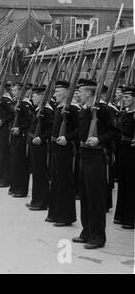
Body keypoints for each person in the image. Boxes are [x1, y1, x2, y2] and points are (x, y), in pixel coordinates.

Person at [73, 79, 120, 249]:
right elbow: (80, 131)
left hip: (97, 157)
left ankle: (98, 237)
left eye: (81, 91)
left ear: (89, 92)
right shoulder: (85, 110)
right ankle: (86, 231)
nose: (78, 94)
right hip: (83, 155)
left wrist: (98, 139)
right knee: (85, 196)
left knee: (96, 198)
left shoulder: (103, 110)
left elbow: (115, 132)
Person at [47, 81, 79, 226]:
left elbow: (79, 130)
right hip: (55, 146)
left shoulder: (72, 108)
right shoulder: (60, 107)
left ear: (66, 93)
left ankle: (65, 216)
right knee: (55, 180)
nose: (54, 96)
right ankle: (54, 212)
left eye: (57, 93)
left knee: (64, 182)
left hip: (65, 148)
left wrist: (68, 138)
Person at [27, 85, 54, 211]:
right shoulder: (38, 108)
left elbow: (51, 129)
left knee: (40, 174)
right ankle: (35, 199)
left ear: (42, 96)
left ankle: (42, 202)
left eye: (35, 95)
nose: (32, 97)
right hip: (34, 144)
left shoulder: (47, 110)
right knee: (36, 173)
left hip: (41, 145)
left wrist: (42, 138)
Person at [114, 86, 135, 230]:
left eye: (127, 97)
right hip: (122, 150)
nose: (124, 99)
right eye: (124, 97)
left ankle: (130, 218)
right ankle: (121, 215)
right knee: (123, 183)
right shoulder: (125, 113)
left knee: (131, 184)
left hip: (132, 151)